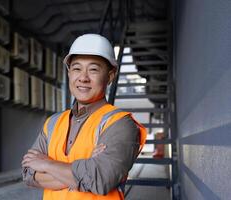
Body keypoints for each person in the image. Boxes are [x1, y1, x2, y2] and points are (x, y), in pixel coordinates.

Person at [21, 33, 147, 200]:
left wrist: (46, 164)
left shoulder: (120, 123)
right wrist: (84, 170)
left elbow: (100, 179)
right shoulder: (52, 123)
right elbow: (28, 174)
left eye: (93, 69)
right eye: (77, 68)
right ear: (69, 73)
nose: (83, 78)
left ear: (110, 76)